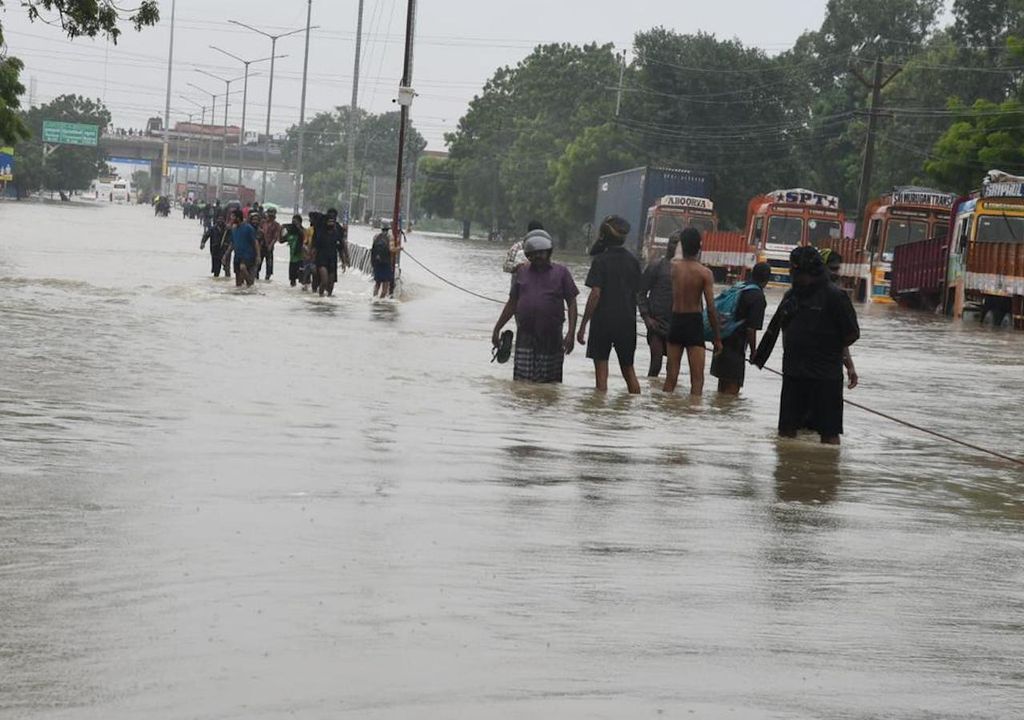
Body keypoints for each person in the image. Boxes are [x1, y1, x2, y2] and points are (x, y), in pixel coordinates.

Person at [773, 246, 860, 444]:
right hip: (794, 376)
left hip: (826, 378)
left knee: (828, 435)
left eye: (795, 272)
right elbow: (783, 329)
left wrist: (830, 350)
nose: (792, 276)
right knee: (786, 435)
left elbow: (851, 334)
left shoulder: (835, 297)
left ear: (809, 272)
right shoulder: (791, 296)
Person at [492, 230, 578, 383]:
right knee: (522, 384)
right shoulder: (522, 272)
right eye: (533, 254)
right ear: (527, 255)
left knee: (549, 385)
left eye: (541, 253)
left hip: (551, 337)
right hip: (525, 336)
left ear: (549, 252)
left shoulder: (561, 273)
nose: (537, 257)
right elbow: (512, 303)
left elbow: (571, 302)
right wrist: (497, 328)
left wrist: (571, 333)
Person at [577, 215, 642, 394]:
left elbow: (595, 294)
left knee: (601, 378)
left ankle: (600, 411)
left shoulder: (600, 261)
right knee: (629, 371)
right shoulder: (634, 262)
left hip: (602, 323)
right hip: (627, 323)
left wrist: (583, 326)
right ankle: (635, 409)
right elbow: (637, 293)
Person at [664, 228, 722, 396]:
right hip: (693, 323)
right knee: (697, 379)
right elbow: (711, 308)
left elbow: (677, 255)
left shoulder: (674, 268)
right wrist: (717, 338)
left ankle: (663, 411)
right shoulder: (705, 273)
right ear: (699, 247)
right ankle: (693, 413)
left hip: (676, 321)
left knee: (670, 378)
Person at [710, 262, 771, 395]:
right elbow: (751, 329)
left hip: (721, 341)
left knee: (721, 392)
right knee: (731, 395)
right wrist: (754, 352)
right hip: (735, 349)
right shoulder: (758, 297)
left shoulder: (740, 287)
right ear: (766, 280)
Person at [637, 234, 679, 377]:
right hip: (657, 324)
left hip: (677, 325)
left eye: (679, 244)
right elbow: (641, 293)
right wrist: (647, 318)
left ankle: (666, 399)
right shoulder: (656, 266)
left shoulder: (685, 270)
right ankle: (651, 397)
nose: (675, 246)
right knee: (656, 364)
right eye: (673, 242)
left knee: (673, 369)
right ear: (668, 245)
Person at [819, 249, 859, 390]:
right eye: (833, 269)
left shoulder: (795, 295)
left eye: (838, 269)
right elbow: (848, 336)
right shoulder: (839, 298)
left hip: (799, 374)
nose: (836, 274)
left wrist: (849, 366)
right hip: (826, 374)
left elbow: (842, 338)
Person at [312, 208, 349, 297]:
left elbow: (341, 248)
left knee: (331, 286)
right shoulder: (320, 232)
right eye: (329, 221)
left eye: (333, 221)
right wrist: (312, 262)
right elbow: (314, 248)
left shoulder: (337, 232)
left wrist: (344, 261)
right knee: (324, 281)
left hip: (332, 260)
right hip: (321, 259)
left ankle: (327, 303)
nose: (331, 223)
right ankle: (320, 298)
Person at [229, 207, 260, 288]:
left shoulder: (248, 228)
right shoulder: (234, 229)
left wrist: (258, 256)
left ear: (238, 218)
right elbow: (232, 244)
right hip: (237, 257)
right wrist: (226, 255)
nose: (231, 218)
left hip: (248, 256)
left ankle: (250, 284)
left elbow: (255, 242)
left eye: (233, 217)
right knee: (238, 283)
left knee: (243, 267)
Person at [371, 222, 395, 298]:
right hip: (386, 263)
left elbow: (374, 249)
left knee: (377, 283)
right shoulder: (390, 237)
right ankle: (380, 301)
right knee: (385, 285)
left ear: (381, 229)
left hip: (376, 262)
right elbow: (391, 249)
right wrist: (399, 249)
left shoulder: (376, 236)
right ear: (388, 229)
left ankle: (374, 299)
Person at [282, 214, 306, 288]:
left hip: (301, 259)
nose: (294, 224)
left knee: (303, 281)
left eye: (296, 222)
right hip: (292, 260)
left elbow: (304, 237)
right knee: (292, 281)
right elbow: (281, 240)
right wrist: (281, 229)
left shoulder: (303, 231)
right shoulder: (290, 232)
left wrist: (298, 227)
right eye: (293, 222)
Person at [257, 207, 281, 281]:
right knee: (258, 264)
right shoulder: (262, 222)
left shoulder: (276, 225)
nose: (270, 217)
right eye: (269, 215)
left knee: (269, 264)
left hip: (269, 246)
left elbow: (276, 237)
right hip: (261, 245)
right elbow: (258, 231)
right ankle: (256, 278)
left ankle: (267, 278)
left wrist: (271, 245)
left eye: (272, 215)